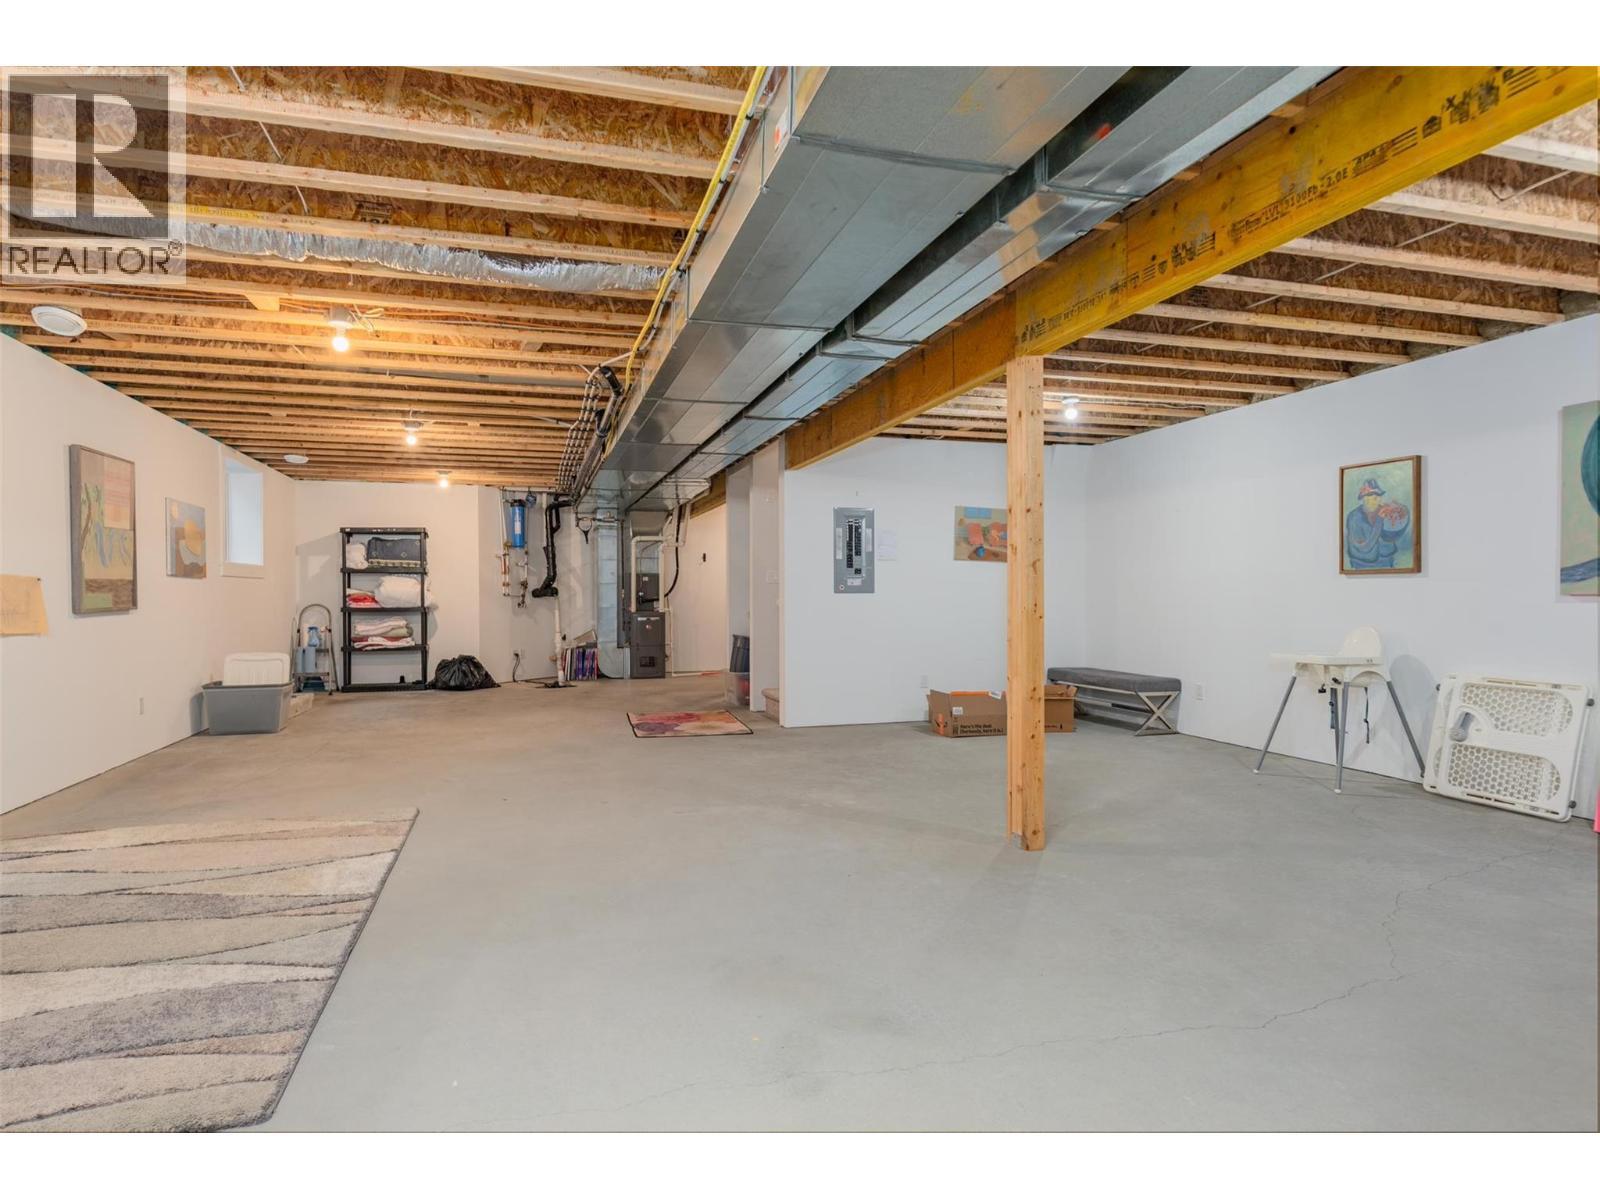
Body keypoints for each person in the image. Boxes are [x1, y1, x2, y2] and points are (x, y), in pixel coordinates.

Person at [1345, 478, 1410, 570]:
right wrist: (1379, 520)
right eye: (1370, 496)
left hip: (1386, 559)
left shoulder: (1385, 511)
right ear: (1363, 499)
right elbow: (1364, 547)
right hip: (1362, 563)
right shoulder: (1354, 517)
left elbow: (1392, 536)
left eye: (1378, 496)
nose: (1376, 500)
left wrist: (1402, 515)